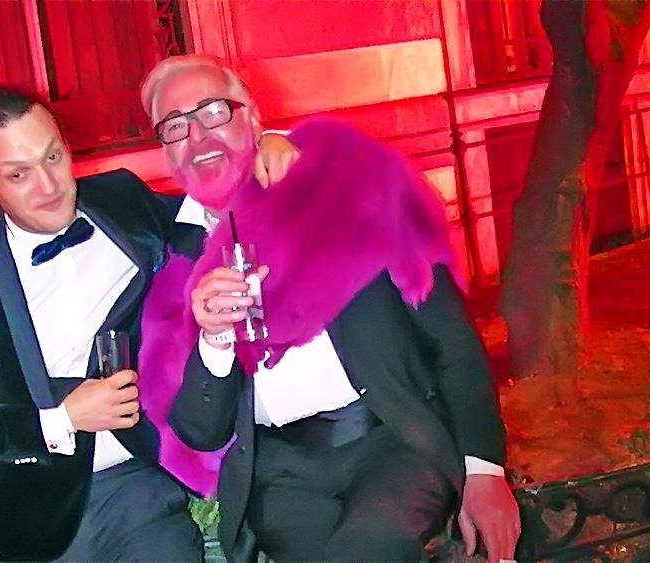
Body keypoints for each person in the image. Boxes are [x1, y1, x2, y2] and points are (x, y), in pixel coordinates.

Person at [137, 55, 522, 562]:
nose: (197, 135)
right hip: (280, 477)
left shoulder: (345, 188)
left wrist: (484, 468)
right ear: (165, 149)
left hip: (391, 439)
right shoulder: (172, 258)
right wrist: (215, 340)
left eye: (213, 112)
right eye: (175, 126)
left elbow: (449, 335)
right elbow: (200, 430)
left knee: (369, 546)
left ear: (253, 116)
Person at [0, 85, 297, 561]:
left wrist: (270, 143)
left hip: (138, 489)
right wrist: (61, 420)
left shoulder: (120, 202)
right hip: (35, 512)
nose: (48, 186)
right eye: (18, 174)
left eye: (52, 157)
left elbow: (208, 210)